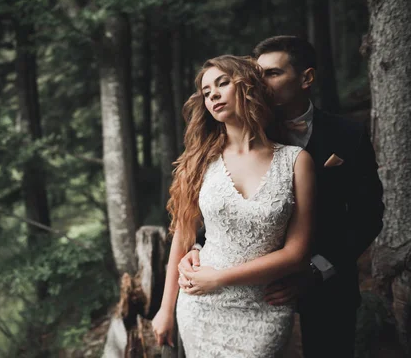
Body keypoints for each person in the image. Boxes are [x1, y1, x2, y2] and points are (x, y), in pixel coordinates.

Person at [178, 36, 385, 358]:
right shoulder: (245, 131)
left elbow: (368, 213)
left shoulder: (347, 134)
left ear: (306, 78)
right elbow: (228, 200)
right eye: (256, 75)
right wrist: (199, 245)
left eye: (272, 73)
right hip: (243, 290)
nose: (261, 82)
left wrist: (316, 269)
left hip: (326, 279)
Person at [151, 54, 316, 358]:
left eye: (222, 83)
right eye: (206, 91)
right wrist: (165, 309)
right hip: (199, 306)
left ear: (247, 86)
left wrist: (219, 278)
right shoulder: (199, 162)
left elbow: (296, 254)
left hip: (265, 308)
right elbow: (183, 235)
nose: (212, 93)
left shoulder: (296, 161)